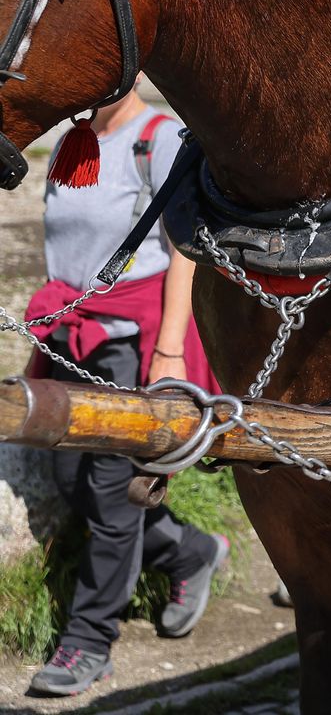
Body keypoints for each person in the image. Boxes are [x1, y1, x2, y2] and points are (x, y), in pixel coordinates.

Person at [23, 85, 227, 697]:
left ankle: (89, 643)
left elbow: (184, 249)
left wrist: (168, 347)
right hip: (68, 336)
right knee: (72, 485)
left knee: (111, 496)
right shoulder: (73, 142)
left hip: (126, 342)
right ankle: (190, 551)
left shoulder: (160, 139)